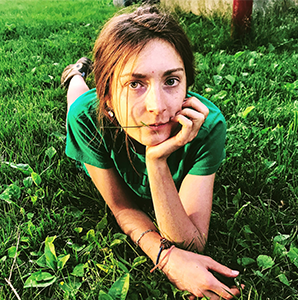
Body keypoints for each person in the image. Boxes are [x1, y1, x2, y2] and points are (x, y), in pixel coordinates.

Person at [61, 5, 243, 299]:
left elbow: (191, 243)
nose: (158, 106)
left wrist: (156, 160)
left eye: (171, 80)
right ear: (108, 95)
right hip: (92, 109)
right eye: (135, 83)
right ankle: (75, 75)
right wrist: (165, 258)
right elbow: (122, 206)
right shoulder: (87, 119)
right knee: (78, 99)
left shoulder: (207, 126)